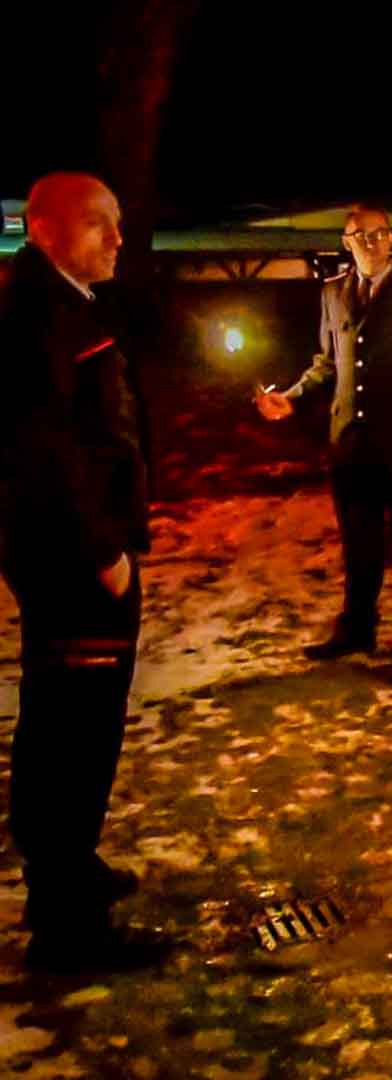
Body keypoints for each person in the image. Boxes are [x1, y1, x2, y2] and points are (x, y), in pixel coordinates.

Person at [0, 172, 170, 973]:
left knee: (78, 718)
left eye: (118, 223)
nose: (117, 239)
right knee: (73, 731)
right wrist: (102, 551)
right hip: (74, 563)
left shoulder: (65, 305)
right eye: (98, 223)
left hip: (77, 554)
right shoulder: (37, 316)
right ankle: (66, 922)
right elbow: (42, 451)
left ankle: (71, 865)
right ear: (43, 228)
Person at [256, 205, 392, 666]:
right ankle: (357, 628)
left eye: (380, 234)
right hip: (350, 438)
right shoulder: (333, 293)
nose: (372, 243)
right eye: (361, 236)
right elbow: (328, 362)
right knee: (358, 540)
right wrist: (293, 396)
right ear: (346, 243)